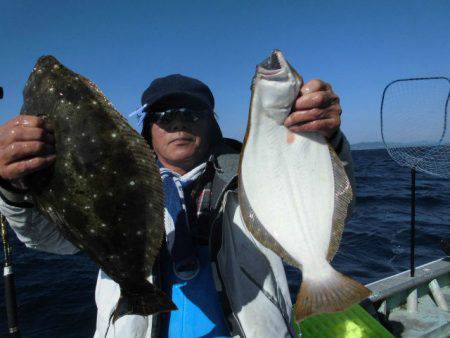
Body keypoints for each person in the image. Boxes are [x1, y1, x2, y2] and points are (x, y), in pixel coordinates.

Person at [0, 73, 355, 337]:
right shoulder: (114, 185)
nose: (179, 122)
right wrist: (13, 189)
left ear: (211, 123)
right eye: (164, 115)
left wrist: (324, 140)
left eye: (192, 112)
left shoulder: (258, 171)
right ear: (147, 128)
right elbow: (49, 238)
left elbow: (319, 198)